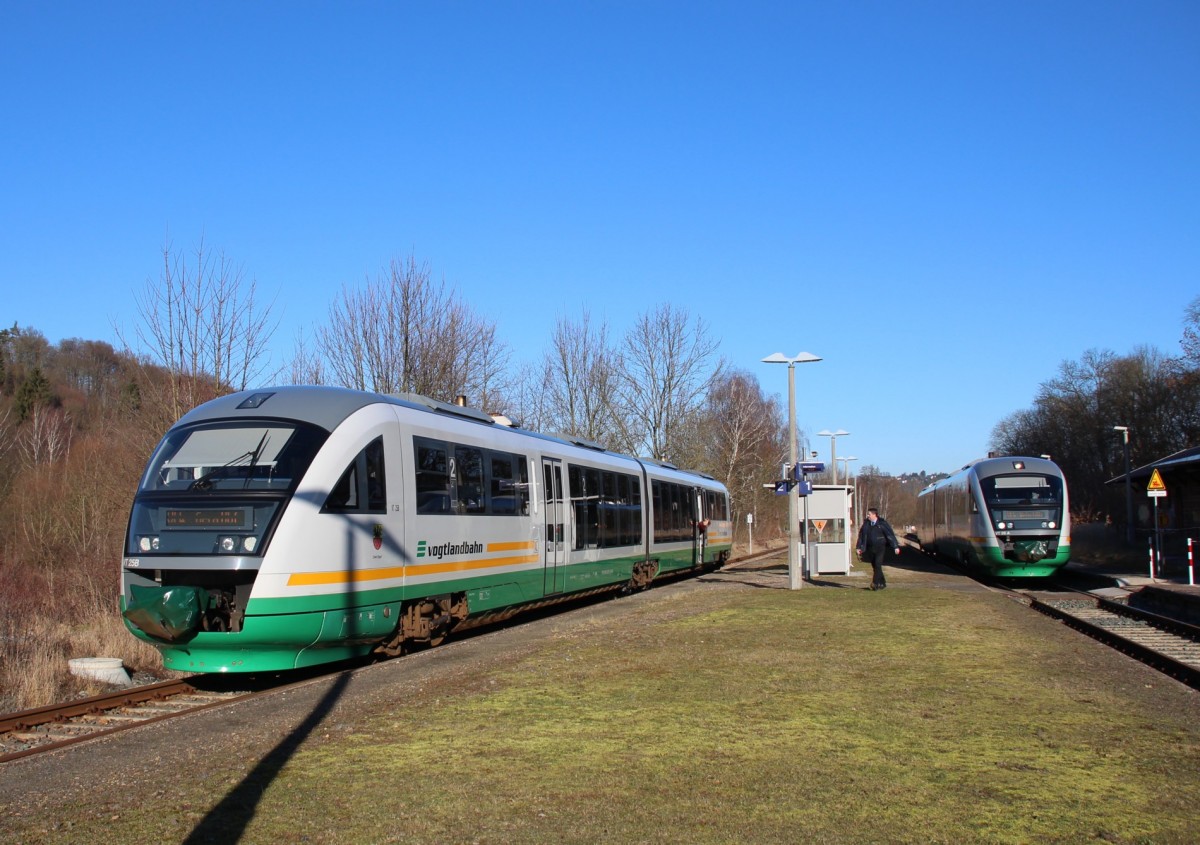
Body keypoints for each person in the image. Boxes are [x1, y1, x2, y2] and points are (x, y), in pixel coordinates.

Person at [856, 507, 901, 590]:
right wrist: (858, 547)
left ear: (874, 515)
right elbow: (861, 536)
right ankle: (882, 583)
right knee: (876, 567)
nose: (868, 516)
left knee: (877, 564)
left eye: (869, 514)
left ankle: (875, 583)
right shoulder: (866, 524)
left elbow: (890, 535)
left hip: (880, 548)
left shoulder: (881, 524)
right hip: (870, 548)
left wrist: (895, 546)